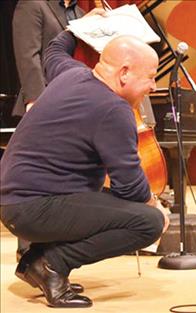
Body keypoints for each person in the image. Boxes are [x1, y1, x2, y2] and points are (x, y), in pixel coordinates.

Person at [0, 10, 170, 308]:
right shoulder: (113, 110)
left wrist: (82, 25)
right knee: (149, 222)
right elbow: (130, 188)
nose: (153, 86)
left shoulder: (72, 73)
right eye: (151, 77)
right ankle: (50, 264)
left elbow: (54, 49)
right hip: (34, 207)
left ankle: (37, 260)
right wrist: (156, 208)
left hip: (17, 202)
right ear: (124, 73)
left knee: (120, 206)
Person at [12, 0, 84, 259]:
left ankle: (52, 259)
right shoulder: (33, 4)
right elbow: (27, 54)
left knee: (64, 183)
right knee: (38, 180)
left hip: (73, 104)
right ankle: (29, 255)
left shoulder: (79, 12)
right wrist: (36, 101)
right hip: (44, 103)